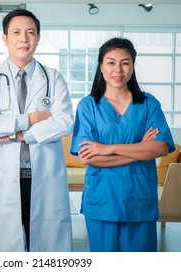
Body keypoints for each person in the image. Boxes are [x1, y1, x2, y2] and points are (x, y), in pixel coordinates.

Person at [0, 9, 74, 252]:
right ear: (4, 38)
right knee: (6, 246)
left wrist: (18, 135)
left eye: (30, 33)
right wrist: (30, 118)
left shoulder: (53, 78)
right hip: (3, 175)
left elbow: (65, 121)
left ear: (38, 38)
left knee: (45, 243)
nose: (24, 39)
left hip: (43, 175)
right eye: (16, 32)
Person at [70, 37, 175, 252]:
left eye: (125, 62)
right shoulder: (88, 106)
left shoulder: (148, 103)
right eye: (110, 62)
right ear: (101, 66)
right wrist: (140, 150)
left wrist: (108, 148)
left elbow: (161, 147)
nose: (118, 69)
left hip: (139, 199)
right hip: (102, 200)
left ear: (132, 66)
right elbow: (88, 157)